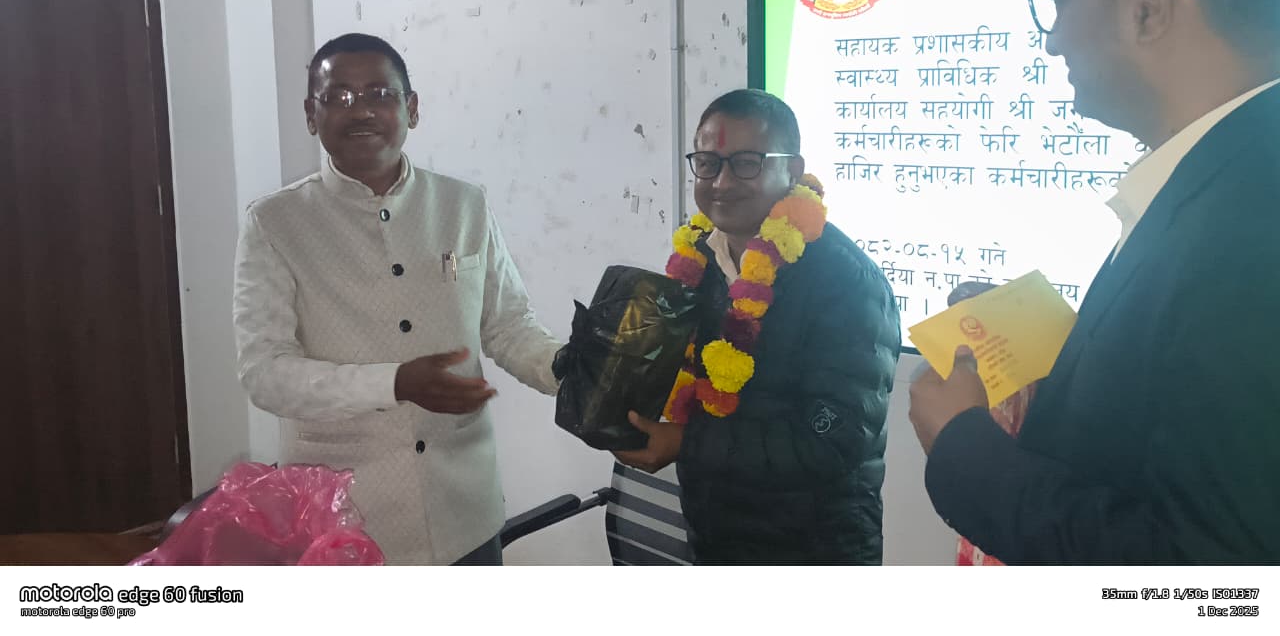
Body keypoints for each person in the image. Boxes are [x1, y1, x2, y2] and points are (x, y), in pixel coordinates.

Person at [909, 0, 1280, 563]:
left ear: (1146, 11)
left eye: (1059, 3)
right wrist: (1077, 349)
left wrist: (963, 444)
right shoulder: (1232, 175)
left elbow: (1212, 578)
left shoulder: (1251, 218)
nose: (1053, 42)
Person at [233, 33, 561, 565]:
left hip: (465, 511)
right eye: (338, 96)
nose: (360, 110)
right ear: (311, 115)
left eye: (379, 94)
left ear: (411, 108)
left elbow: (507, 324)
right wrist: (395, 383)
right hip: (345, 519)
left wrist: (566, 368)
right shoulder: (275, 223)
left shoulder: (464, 205)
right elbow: (265, 372)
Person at [613, 89, 901, 564]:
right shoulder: (700, 259)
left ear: (793, 170)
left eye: (747, 163)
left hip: (813, 549)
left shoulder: (847, 281)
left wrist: (686, 442)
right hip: (714, 534)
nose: (722, 182)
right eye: (708, 163)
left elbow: (835, 441)